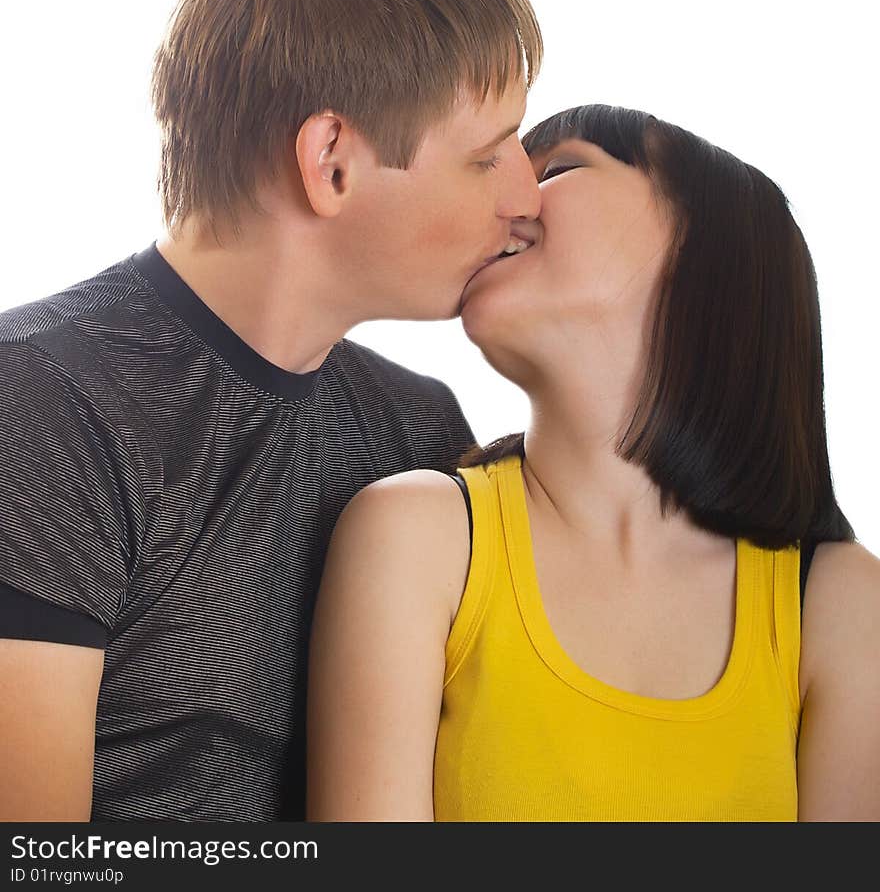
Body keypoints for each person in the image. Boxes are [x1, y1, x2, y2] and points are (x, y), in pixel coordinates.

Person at [0, 0, 545, 822]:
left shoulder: (420, 434)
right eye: (488, 157)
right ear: (331, 160)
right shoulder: (39, 406)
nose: (529, 195)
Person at [306, 103, 880, 823]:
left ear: (705, 252)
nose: (508, 197)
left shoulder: (838, 603)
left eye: (559, 166)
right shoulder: (415, 538)